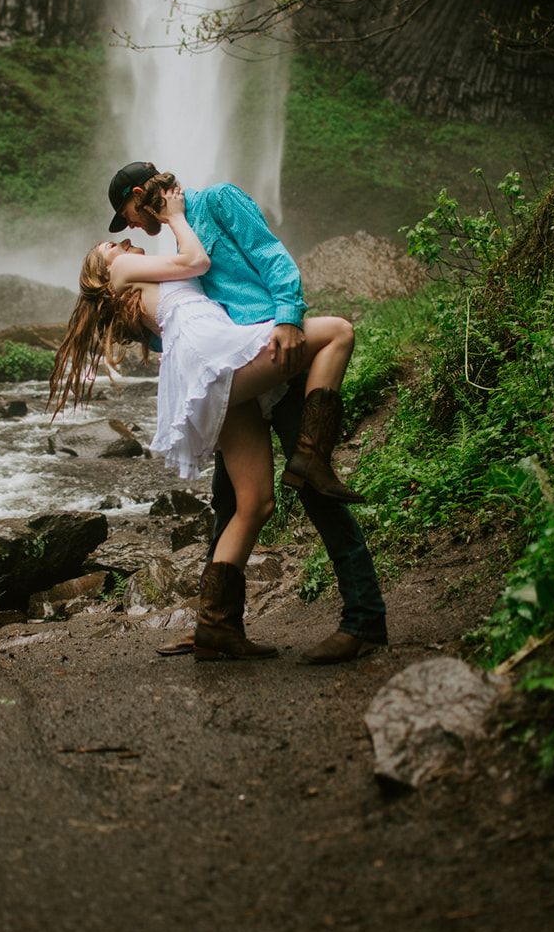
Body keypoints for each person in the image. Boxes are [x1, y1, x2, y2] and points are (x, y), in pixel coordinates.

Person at [48, 186, 360, 661]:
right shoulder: (123, 270)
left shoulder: (141, 275)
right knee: (338, 331)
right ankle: (311, 456)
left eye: (123, 228)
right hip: (213, 357)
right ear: (101, 267)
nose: (123, 241)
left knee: (254, 503)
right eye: (109, 245)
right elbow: (195, 261)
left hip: (209, 363)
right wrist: (174, 216)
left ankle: (216, 628)